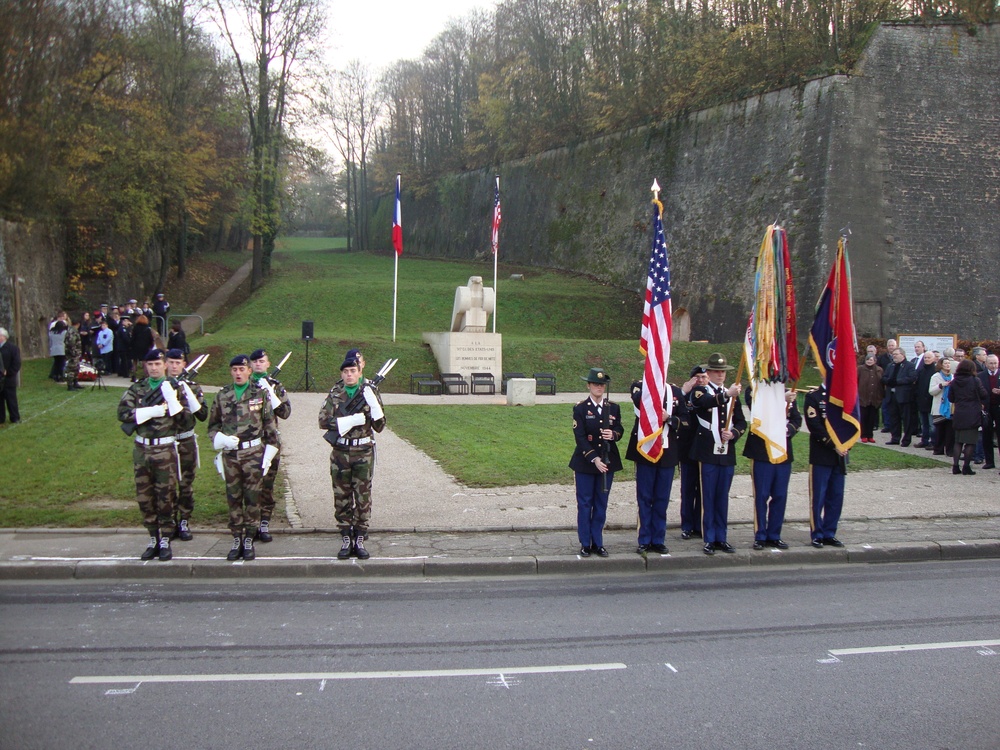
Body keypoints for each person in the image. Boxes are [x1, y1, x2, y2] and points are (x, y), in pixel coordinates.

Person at [117, 349, 188, 561]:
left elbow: (186, 421)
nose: (154, 368)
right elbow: (122, 413)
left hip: (165, 449)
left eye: (158, 364)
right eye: (150, 365)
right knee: (144, 497)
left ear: (165, 365)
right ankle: (152, 537)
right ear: (146, 366)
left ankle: (165, 537)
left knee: (165, 496)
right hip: (142, 449)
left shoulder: (175, 387)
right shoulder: (138, 388)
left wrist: (173, 403)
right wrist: (150, 411)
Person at [208, 354, 279, 561]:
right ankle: (237, 537)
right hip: (231, 455)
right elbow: (212, 426)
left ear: (249, 371)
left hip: (253, 453)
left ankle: (249, 537)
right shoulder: (223, 395)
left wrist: (269, 454)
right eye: (234, 370)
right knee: (233, 497)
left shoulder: (260, 394)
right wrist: (220, 439)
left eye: (242, 369)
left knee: (253, 497)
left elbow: (269, 426)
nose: (238, 373)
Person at [319, 350, 387, 560]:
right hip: (340, 451)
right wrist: (347, 421)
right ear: (342, 374)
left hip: (363, 452)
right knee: (342, 496)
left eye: (353, 371)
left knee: (363, 495)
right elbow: (323, 421)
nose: (349, 374)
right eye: (346, 371)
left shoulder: (369, 392)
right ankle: (346, 535)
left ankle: (360, 535)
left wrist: (374, 406)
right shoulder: (335, 393)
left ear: (359, 372)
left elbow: (380, 426)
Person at [624, 376, 689, 555]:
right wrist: (650, 385)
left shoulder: (674, 392)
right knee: (645, 498)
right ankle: (644, 539)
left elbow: (685, 420)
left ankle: (658, 539)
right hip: (646, 451)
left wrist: (669, 418)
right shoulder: (639, 386)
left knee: (662, 498)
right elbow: (637, 400)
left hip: (667, 453)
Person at [689, 352, 745, 555]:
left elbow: (741, 421)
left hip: (726, 452)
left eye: (723, 371)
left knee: (723, 496)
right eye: (716, 371)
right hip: (707, 452)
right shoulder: (702, 391)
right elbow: (704, 403)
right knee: (709, 495)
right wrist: (727, 395)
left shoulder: (731, 395)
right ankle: (709, 537)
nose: (720, 375)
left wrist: (734, 433)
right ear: (709, 372)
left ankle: (722, 537)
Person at [568, 367, 623, 557]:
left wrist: (614, 434)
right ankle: (585, 542)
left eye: (601, 384)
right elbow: (580, 437)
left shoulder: (613, 407)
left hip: (608, 461)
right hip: (586, 462)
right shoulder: (580, 408)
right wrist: (594, 458)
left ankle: (597, 542)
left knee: (601, 504)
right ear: (589, 385)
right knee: (585, 503)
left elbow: (619, 429)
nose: (599, 387)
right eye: (595, 384)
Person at [743, 386, 801, 550]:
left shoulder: (788, 391)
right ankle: (760, 535)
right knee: (761, 495)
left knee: (780, 495)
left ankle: (774, 534)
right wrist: (781, 399)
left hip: (782, 450)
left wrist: (788, 430)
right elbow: (757, 409)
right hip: (762, 451)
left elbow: (797, 419)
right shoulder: (754, 389)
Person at [250, 348, 292, 542]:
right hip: (248, 442)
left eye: (262, 361)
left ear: (268, 364)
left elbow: (285, 412)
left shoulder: (275, 385)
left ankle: (264, 522)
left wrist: (270, 393)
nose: (258, 364)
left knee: (267, 485)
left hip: (269, 442)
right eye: (255, 361)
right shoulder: (245, 384)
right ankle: (251, 522)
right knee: (249, 485)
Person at [166, 349, 208, 541]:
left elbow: (202, 415)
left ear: (184, 364)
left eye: (178, 362)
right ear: (166, 363)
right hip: (165, 442)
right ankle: (168, 522)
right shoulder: (160, 386)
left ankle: (184, 520)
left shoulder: (192, 386)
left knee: (185, 484)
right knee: (165, 485)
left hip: (185, 441)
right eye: (171, 362)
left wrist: (188, 392)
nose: (174, 366)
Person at [805, 384, 849, 548]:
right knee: (818, 496)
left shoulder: (844, 395)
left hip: (840, 454)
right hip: (822, 453)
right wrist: (833, 444)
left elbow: (851, 420)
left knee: (836, 496)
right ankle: (817, 533)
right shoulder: (814, 397)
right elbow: (814, 425)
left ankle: (830, 532)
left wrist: (846, 444)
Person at [678, 366, 706, 540]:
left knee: (703, 490)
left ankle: (700, 523)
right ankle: (687, 525)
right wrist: (683, 392)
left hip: (705, 451)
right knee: (688, 489)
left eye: (703, 377)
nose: (700, 380)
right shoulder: (685, 396)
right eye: (697, 377)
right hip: (687, 450)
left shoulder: (711, 397)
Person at [948, 358, 988, 475]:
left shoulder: (955, 381)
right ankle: (966, 467)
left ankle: (955, 466)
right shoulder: (975, 380)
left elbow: (951, 398)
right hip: (972, 413)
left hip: (959, 412)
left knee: (958, 441)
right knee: (970, 442)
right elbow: (983, 394)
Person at [881, 347, 916, 445]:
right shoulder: (890, 365)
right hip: (891, 396)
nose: (894, 356)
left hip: (904, 396)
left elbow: (911, 378)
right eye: (893, 354)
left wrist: (897, 381)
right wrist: (888, 381)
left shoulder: (909, 365)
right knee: (894, 418)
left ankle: (906, 439)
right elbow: (884, 377)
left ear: (903, 355)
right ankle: (895, 438)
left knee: (906, 419)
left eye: (896, 354)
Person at [977, 354, 1000, 471]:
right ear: (986, 364)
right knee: (986, 435)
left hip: (998, 407)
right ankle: (989, 461)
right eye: (991, 363)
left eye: (995, 363)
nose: (993, 366)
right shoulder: (980, 376)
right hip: (986, 408)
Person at [929, 357, 955, 457]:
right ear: (941, 365)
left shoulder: (953, 377)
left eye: (949, 363)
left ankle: (950, 450)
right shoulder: (936, 377)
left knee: (950, 431)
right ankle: (938, 449)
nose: (948, 365)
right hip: (939, 406)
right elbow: (931, 391)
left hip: (950, 406)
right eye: (945, 363)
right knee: (939, 430)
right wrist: (941, 385)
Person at [857, 352, 884, 443]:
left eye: (871, 360)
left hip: (875, 398)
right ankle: (863, 435)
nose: (869, 361)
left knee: (872, 418)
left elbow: (882, 383)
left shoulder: (879, 370)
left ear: (875, 361)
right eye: (867, 360)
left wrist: (881, 396)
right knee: (864, 417)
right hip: (863, 397)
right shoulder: (860, 369)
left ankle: (870, 435)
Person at [914, 350, 937, 448]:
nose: (927, 359)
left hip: (931, 401)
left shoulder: (935, 370)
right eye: (925, 358)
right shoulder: (921, 370)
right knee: (924, 424)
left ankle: (933, 442)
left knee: (932, 424)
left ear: (934, 359)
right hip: (921, 400)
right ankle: (924, 440)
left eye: (929, 358)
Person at [0, 328, 22, 424]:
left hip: (9, 378)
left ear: (3, 336)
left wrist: (8, 372)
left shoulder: (12, 348)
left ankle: (14, 417)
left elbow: (17, 363)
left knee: (11, 399)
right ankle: (1, 418)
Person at [877, 338, 897, 432]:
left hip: (897, 386)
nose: (891, 347)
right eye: (889, 345)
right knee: (885, 406)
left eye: (893, 345)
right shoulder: (882, 358)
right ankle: (887, 425)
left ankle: (895, 426)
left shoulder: (899, 358)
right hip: (886, 386)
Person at [130, 314, 154, 380]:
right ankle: (145, 376)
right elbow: (150, 339)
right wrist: (150, 346)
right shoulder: (147, 329)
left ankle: (134, 376)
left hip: (135, 347)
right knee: (144, 362)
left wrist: (131, 345)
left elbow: (132, 338)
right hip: (144, 347)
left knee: (135, 362)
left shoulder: (135, 328)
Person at [64, 315, 84, 391]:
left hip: (76, 353)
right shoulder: (72, 331)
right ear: (78, 324)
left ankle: (75, 382)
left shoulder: (73, 330)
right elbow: (71, 344)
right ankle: (70, 385)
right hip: (73, 354)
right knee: (71, 369)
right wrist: (73, 353)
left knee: (76, 368)